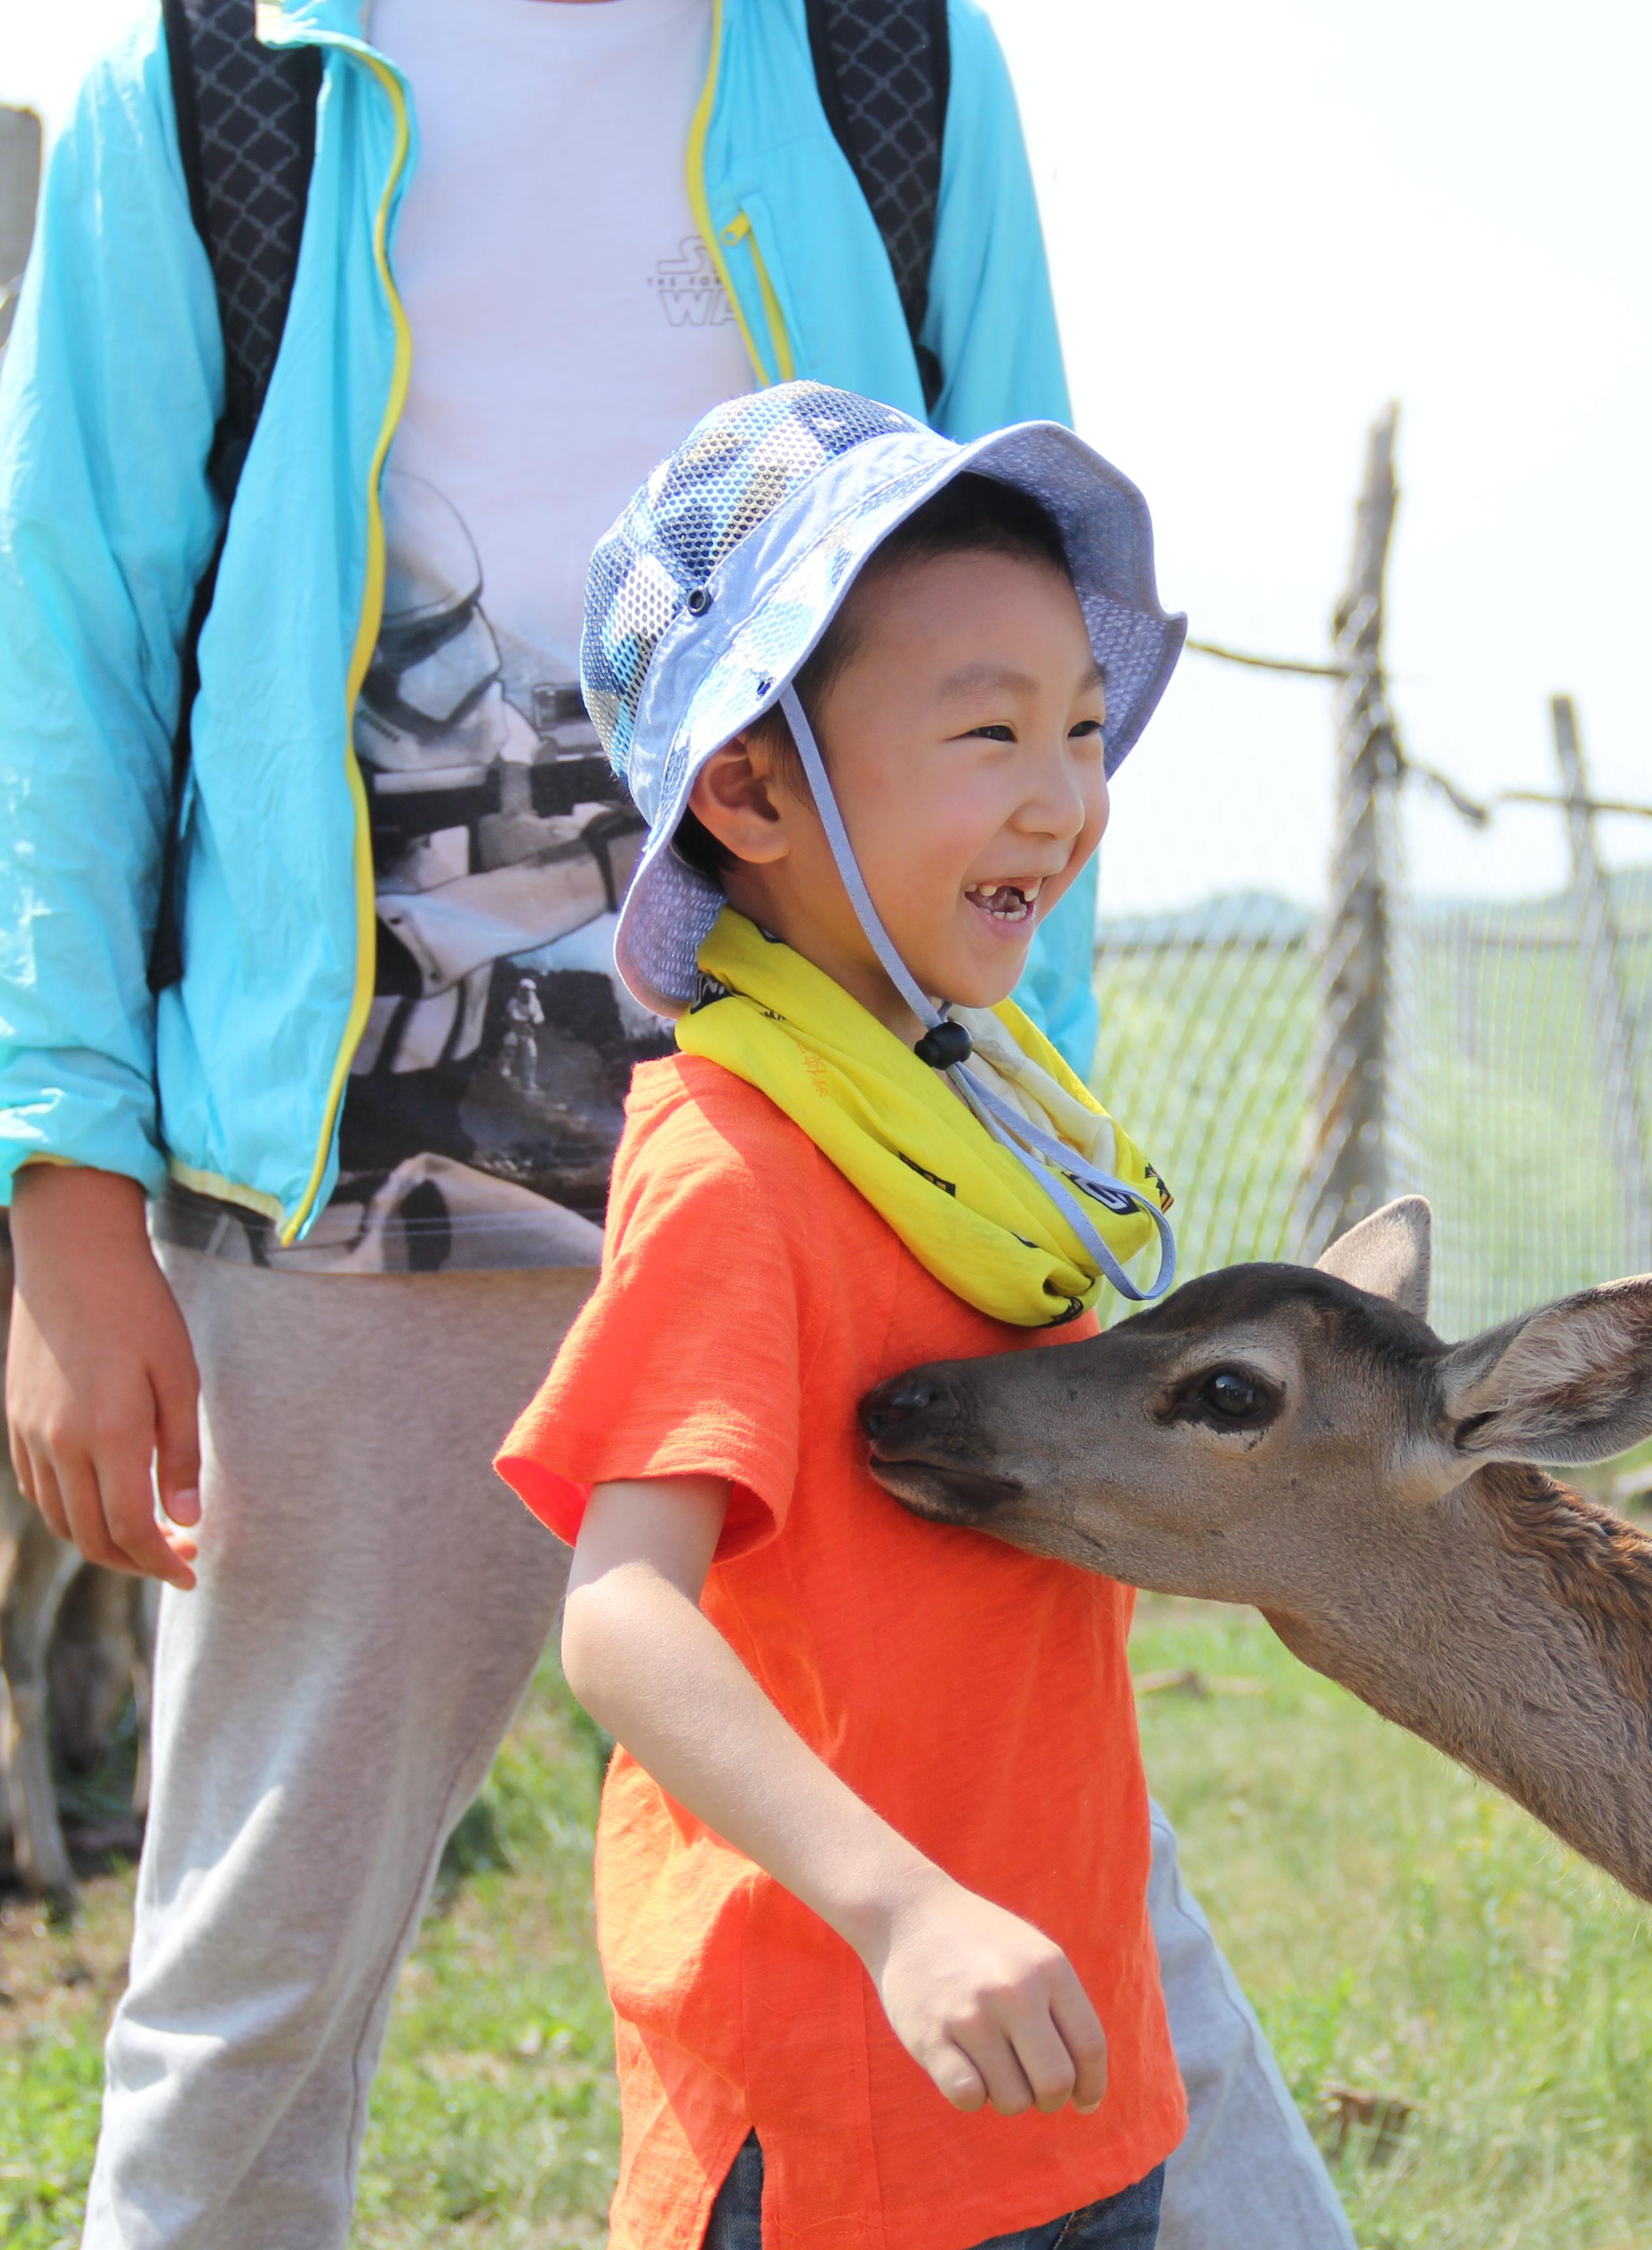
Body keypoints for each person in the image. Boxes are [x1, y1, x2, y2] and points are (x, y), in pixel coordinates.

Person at [0, 5, 1346, 2245]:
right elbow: (61, 626)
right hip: (350, 1194)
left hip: (852, 1145)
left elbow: (1020, 629)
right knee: (260, 1964)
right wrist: (63, 1181)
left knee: (1049, 1848)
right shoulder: (218, 79)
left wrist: (1014, 1126)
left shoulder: (890, 55)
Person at [495, 384, 1188, 2247]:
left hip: (1054, 2060)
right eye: (989, 731)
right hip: (844, 2090)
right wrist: (903, 1908)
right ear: (751, 790)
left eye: (1083, 728)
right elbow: (621, 1615)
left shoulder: (981, 1131)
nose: (1065, 796)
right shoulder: (739, 1160)